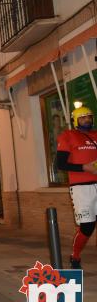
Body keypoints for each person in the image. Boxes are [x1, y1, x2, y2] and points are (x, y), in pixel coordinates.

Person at [56, 106, 97, 269]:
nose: (87, 120)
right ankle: (75, 256)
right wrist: (84, 168)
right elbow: (61, 164)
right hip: (81, 188)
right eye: (83, 117)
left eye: (89, 117)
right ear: (75, 120)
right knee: (87, 226)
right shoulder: (68, 136)